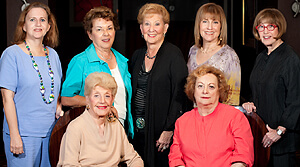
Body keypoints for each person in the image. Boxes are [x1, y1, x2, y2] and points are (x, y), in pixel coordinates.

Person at [0, 2, 62, 166]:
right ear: (24, 25)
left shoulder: (54, 55)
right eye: (32, 19)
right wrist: (14, 134)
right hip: (23, 135)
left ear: (48, 26)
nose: (38, 24)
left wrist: (57, 105)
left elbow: (54, 90)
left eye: (42, 20)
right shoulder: (11, 55)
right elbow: (7, 99)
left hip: (51, 134)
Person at [60, 6, 134, 138]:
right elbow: (66, 99)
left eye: (109, 28)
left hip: (121, 130)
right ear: (90, 34)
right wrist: (102, 104)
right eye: (99, 29)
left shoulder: (123, 62)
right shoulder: (80, 62)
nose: (106, 33)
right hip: (93, 132)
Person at [130, 3, 189, 167]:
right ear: (141, 28)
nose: (151, 29)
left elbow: (180, 95)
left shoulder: (174, 55)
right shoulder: (137, 55)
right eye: (147, 24)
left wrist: (169, 129)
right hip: (137, 132)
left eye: (157, 24)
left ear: (165, 27)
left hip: (160, 134)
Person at [242, 8, 300, 167]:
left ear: (279, 28)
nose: (265, 31)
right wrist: (250, 102)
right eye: (261, 27)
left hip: (282, 142)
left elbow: (296, 101)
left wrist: (279, 131)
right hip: (261, 137)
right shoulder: (261, 57)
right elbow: (259, 90)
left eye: (270, 26)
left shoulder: (290, 59)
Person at [169, 65, 254, 167]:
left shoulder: (235, 116)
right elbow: (175, 158)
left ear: (219, 90)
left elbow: (243, 155)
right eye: (200, 86)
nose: (205, 91)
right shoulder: (182, 121)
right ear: (193, 90)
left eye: (211, 87)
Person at [57, 72, 143, 166]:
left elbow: (134, 159)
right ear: (87, 99)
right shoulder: (75, 128)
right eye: (96, 95)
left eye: (107, 96)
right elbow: (69, 165)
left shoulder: (116, 126)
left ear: (112, 99)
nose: (102, 101)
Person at [187, 3, 241, 105]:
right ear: (199, 25)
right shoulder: (193, 51)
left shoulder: (229, 56)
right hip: (194, 115)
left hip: (218, 118)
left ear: (221, 26)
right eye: (205, 21)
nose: (209, 27)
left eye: (215, 22)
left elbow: (233, 100)